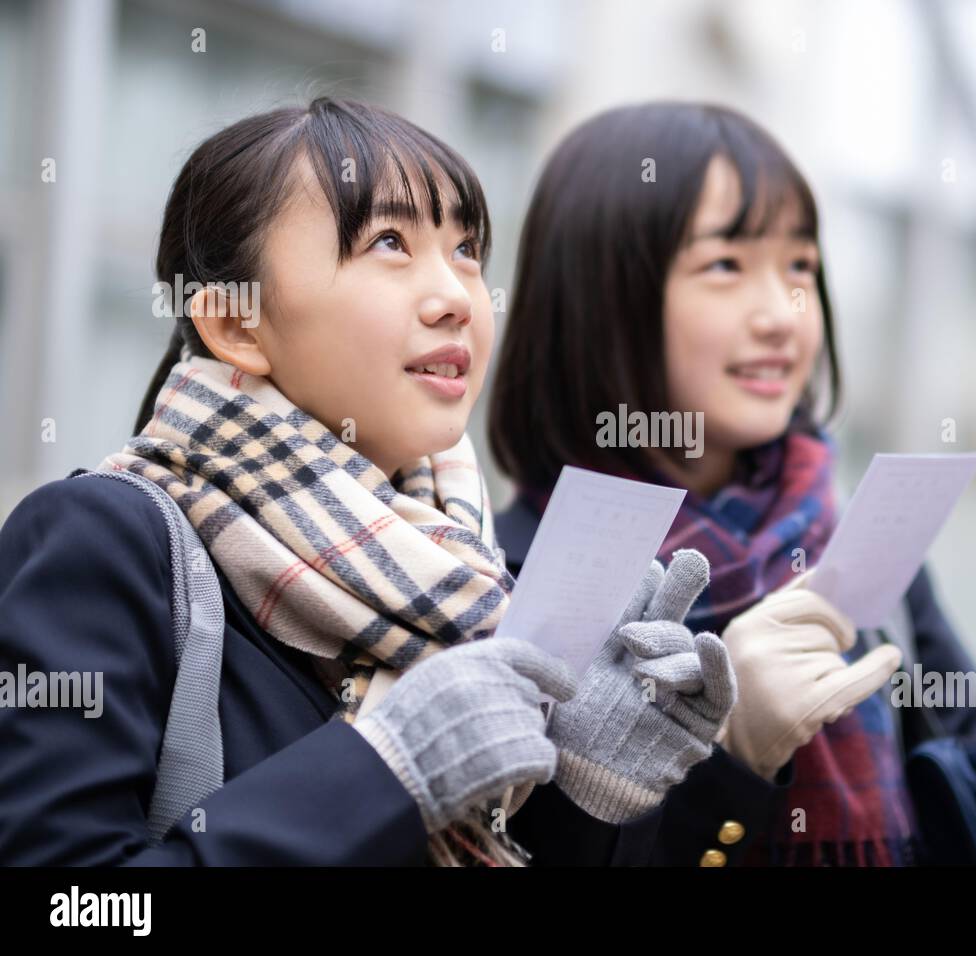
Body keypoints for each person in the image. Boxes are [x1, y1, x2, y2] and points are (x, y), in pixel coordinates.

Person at [0, 97, 735, 866]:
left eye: (465, 248)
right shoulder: (106, 543)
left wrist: (590, 796)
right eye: (389, 241)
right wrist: (379, 772)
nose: (456, 296)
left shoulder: (476, 574)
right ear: (237, 325)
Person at [489, 101, 976, 866]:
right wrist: (732, 761)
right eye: (725, 265)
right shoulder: (509, 585)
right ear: (599, 295)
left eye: (801, 267)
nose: (785, 314)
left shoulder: (855, 545)